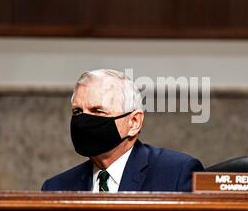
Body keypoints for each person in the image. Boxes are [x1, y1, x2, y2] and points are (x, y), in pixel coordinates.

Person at [41, 69, 204, 192]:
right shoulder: (56, 187)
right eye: (77, 111)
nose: (83, 121)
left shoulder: (176, 174)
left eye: (98, 111)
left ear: (134, 122)